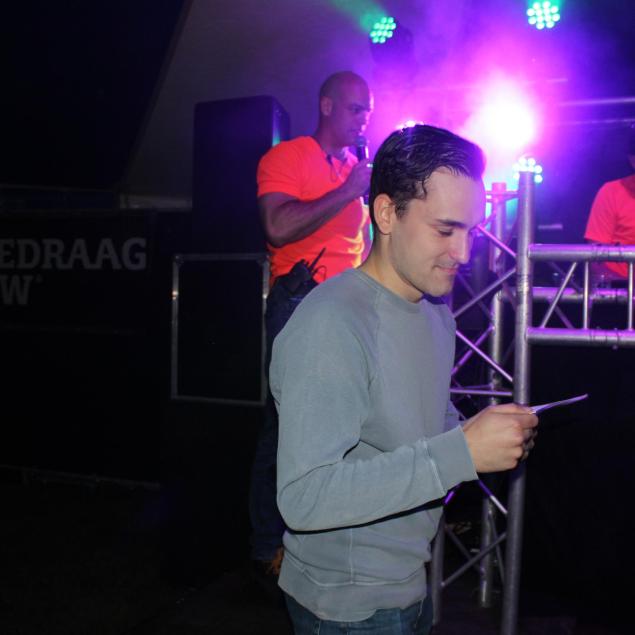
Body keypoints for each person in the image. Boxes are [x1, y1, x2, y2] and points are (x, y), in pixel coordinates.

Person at [270, 124, 539, 634]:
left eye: (471, 231)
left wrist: (479, 436)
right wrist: (461, 452)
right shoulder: (332, 322)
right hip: (347, 606)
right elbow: (304, 497)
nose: (464, 252)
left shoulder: (436, 315)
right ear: (387, 213)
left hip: (410, 583)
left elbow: (424, 431)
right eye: (445, 230)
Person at [249, 71, 374, 578]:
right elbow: (278, 226)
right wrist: (347, 191)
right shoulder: (287, 157)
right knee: (288, 425)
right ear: (326, 106)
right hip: (301, 301)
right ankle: (267, 546)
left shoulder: (352, 169)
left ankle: (324, 540)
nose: (363, 119)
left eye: (368, 111)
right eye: (355, 109)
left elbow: (359, 246)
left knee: (346, 426)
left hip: (349, 306)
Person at [584, 125, 635, 282]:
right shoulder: (611, 192)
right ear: (632, 159)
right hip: (621, 290)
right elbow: (595, 259)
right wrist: (626, 288)